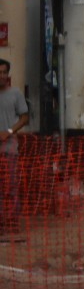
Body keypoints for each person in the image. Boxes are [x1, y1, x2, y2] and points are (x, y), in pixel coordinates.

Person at [0, 58, 29, 233]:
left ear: (8, 74)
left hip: (9, 148)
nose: (1, 76)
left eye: (4, 72)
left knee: (10, 185)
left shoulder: (16, 94)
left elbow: (25, 117)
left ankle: (11, 221)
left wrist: (9, 132)